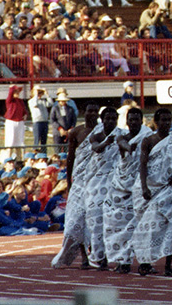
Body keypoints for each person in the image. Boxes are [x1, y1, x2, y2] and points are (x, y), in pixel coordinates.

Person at [132, 108, 172, 277]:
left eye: (169, 119)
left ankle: (169, 265)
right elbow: (142, 165)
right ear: (156, 122)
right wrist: (144, 188)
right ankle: (145, 263)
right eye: (163, 120)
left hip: (170, 189)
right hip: (150, 188)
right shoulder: (148, 140)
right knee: (148, 228)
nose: (167, 123)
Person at [103, 107, 152, 274]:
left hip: (139, 186)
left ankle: (142, 261)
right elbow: (123, 144)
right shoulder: (121, 137)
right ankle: (122, 261)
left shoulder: (147, 137)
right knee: (118, 226)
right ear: (127, 121)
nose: (133, 122)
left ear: (141, 120)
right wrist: (131, 147)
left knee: (138, 227)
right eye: (130, 120)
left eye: (136, 119)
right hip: (121, 187)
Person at [52, 103, 100, 269]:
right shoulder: (76, 132)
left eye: (95, 111)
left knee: (93, 221)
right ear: (84, 112)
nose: (92, 114)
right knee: (76, 220)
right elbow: (71, 159)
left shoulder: (103, 132)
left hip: (96, 183)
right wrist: (69, 182)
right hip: (79, 182)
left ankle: (94, 254)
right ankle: (84, 257)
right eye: (90, 111)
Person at [85, 107, 124, 270]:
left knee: (113, 222)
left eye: (113, 119)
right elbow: (96, 148)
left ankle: (110, 256)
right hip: (96, 185)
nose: (110, 121)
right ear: (102, 120)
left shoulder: (121, 134)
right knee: (96, 223)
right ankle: (97, 256)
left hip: (115, 184)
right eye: (107, 118)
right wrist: (107, 142)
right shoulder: (96, 135)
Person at [4, 85, 28, 159]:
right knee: (10, 143)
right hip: (11, 122)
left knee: (19, 143)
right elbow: (10, 94)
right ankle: (8, 159)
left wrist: (25, 115)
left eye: (18, 91)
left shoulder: (20, 101)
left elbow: (24, 111)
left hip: (19, 122)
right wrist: (11, 88)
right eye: (15, 91)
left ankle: (19, 160)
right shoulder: (10, 100)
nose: (17, 93)